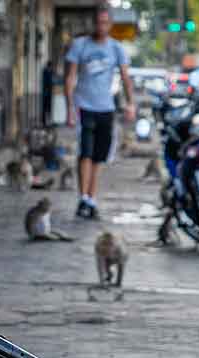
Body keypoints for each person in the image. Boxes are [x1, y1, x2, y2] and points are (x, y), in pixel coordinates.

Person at [65, 5, 136, 219]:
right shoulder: (80, 45)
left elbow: (125, 78)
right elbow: (70, 77)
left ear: (110, 24)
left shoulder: (116, 48)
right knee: (85, 153)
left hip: (106, 108)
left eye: (105, 23)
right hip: (84, 106)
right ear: (93, 24)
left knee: (98, 156)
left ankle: (91, 197)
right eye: (98, 22)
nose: (101, 26)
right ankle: (83, 199)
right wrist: (69, 107)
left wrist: (130, 103)